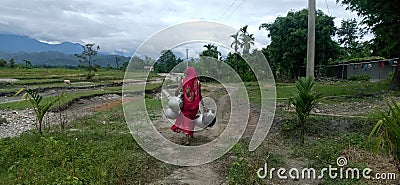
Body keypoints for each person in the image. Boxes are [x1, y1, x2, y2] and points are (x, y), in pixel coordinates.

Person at [171, 67, 206, 145]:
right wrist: (203, 105)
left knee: (186, 120)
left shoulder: (183, 81)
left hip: (186, 106)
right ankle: (191, 133)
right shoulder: (198, 82)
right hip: (195, 106)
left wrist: (176, 98)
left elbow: (176, 91)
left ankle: (187, 139)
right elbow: (200, 95)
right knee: (192, 119)